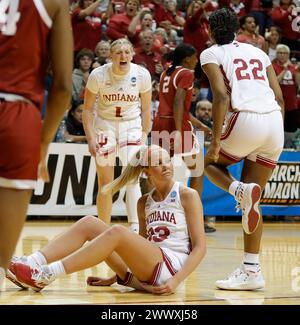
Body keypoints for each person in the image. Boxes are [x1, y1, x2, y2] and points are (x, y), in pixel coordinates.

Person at [6, 145, 206, 295]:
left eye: (167, 160)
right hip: (147, 269)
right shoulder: (143, 202)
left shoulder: (187, 194)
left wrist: (177, 281)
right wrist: (115, 277)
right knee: (90, 223)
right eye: (158, 163)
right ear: (146, 172)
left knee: (118, 232)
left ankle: (45, 274)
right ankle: (32, 262)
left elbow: (200, 247)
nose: (165, 166)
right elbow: (140, 247)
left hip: (170, 269)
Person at [200, 8, 284, 290]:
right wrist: (271, 132)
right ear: (237, 29)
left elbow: (222, 96)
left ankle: (238, 190)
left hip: (245, 117)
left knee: (210, 165)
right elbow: (280, 97)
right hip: (274, 122)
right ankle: (252, 271)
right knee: (254, 203)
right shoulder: (258, 52)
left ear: (210, 31)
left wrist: (214, 143)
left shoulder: (211, 53)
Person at [0, 0, 73, 290]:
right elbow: (63, 85)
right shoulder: (52, 3)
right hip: (18, 117)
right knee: (2, 256)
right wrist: (43, 143)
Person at [83, 38, 152, 233]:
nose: (123, 56)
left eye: (127, 52)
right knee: (105, 182)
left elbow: (147, 109)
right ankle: (102, 229)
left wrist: (144, 133)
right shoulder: (98, 75)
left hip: (131, 126)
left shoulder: (141, 74)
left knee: (132, 177)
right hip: (105, 125)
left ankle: (137, 228)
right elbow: (87, 110)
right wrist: (90, 138)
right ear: (111, 56)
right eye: (118, 53)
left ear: (132, 55)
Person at [152, 43, 211, 232]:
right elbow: (178, 102)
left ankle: (155, 213)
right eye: (195, 57)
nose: (197, 61)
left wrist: (201, 125)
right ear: (187, 59)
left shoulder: (167, 72)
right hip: (176, 125)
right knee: (197, 169)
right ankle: (194, 217)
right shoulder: (187, 73)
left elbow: (176, 106)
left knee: (158, 172)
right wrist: (178, 130)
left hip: (160, 122)